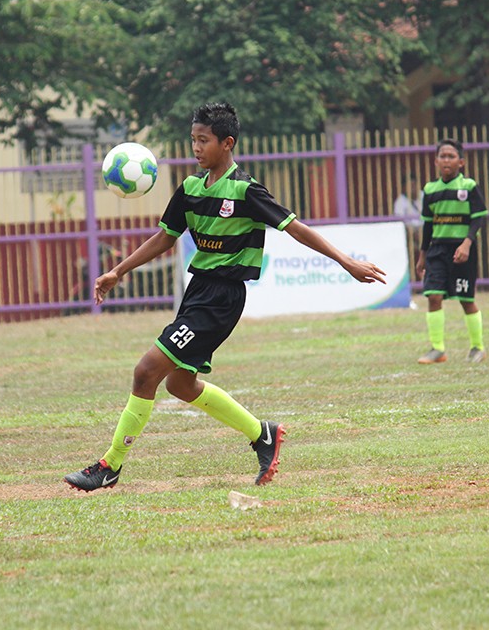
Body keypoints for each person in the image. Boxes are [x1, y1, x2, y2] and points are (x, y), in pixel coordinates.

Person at [64, 102, 387, 492]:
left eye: (204, 140)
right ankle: (261, 434)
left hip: (222, 297)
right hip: (198, 291)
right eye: (193, 140)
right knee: (180, 386)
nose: (196, 148)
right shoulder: (190, 189)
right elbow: (166, 236)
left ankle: (109, 465)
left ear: (227, 143)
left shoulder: (247, 191)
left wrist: (346, 261)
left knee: (145, 372)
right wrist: (119, 270)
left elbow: (295, 228)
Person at [414, 139, 488, 365]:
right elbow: (428, 225)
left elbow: (478, 218)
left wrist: (466, 243)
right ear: (436, 161)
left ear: (461, 162)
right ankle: (437, 349)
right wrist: (422, 256)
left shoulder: (468, 187)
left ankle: (478, 347)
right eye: (442, 156)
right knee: (434, 296)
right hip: (437, 250)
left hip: (462, 250)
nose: (446, 160)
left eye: (451, 156)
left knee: (466, 299)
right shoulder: (430, 189)